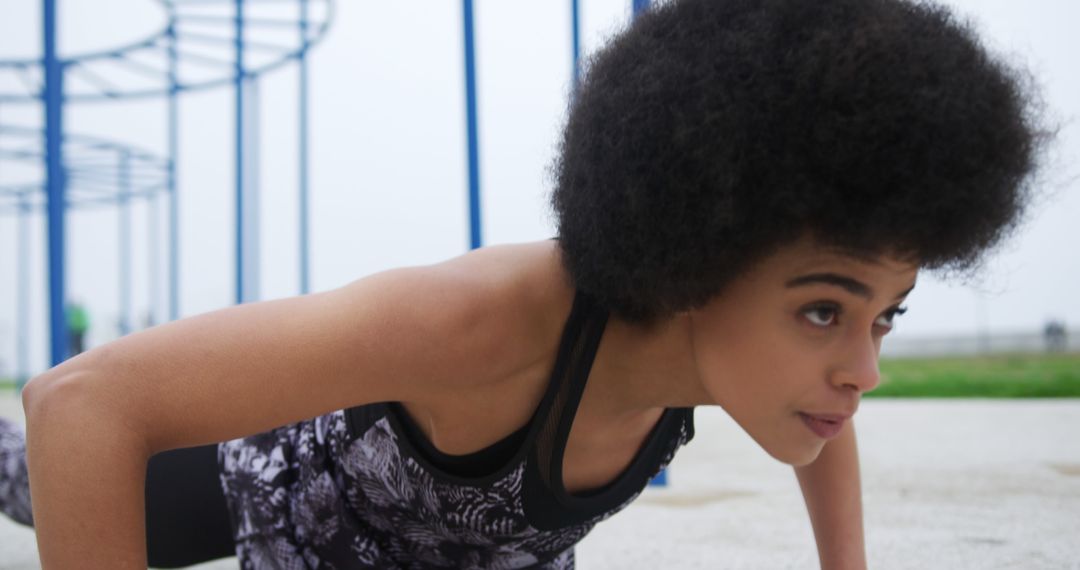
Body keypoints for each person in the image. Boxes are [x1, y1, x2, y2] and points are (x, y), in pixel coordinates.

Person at [0, 0, 1045, 567]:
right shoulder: (481, 321)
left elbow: (824, 411)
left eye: (884, 319)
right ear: (695, 252)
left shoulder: (765, 363)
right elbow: (81, 402)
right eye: (825, 309)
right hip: (230, 494)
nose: (860, 370)